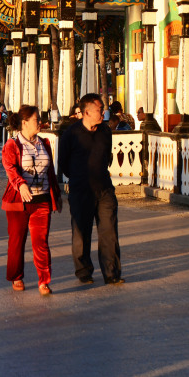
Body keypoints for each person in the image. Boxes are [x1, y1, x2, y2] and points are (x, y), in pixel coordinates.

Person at [58, 93, 123, 285]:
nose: (103, 113)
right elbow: (63, 162)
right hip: (81, 190)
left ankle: (111, 273)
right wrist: (79, 177)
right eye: (99, 110)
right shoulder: (71, 134)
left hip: (104, 189)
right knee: (81, 233)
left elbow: (107, 155)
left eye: (103, 109)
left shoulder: (105, 131)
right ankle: (84, 272)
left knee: (109, 232)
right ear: (86, 112)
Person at [1, 104, 62, 295]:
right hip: (19, 202)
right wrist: (20, 184)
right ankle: (16, 276)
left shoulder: (44, 143)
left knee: (41, 242)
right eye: (36, 119)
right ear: (25, 122)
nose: (40, 122)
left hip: (41, 200)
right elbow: (10, 167)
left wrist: (57, 196)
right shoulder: (12, 145)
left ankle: (44, 281)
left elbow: (51, 172)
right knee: (17, 240)